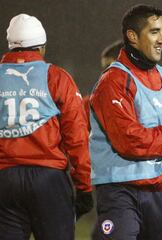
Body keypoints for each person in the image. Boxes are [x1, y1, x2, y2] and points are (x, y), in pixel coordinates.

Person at [89, 4, 162, 240]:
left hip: (159, 189)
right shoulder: (114, 80)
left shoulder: (161, 75)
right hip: (121, 189)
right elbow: (130, 140)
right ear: (132, 36)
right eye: (154, 32)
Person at [0, 14, 93, 240]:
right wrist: (84, 186)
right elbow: (77, 136)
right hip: (49, 179)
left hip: (4, 179)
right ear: (41, 48)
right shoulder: (57, 77)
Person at [83, 40, 124, 128]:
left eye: (110, 66)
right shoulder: (90, 105)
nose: (105, 72)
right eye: (105, 68)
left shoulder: (149, 99)